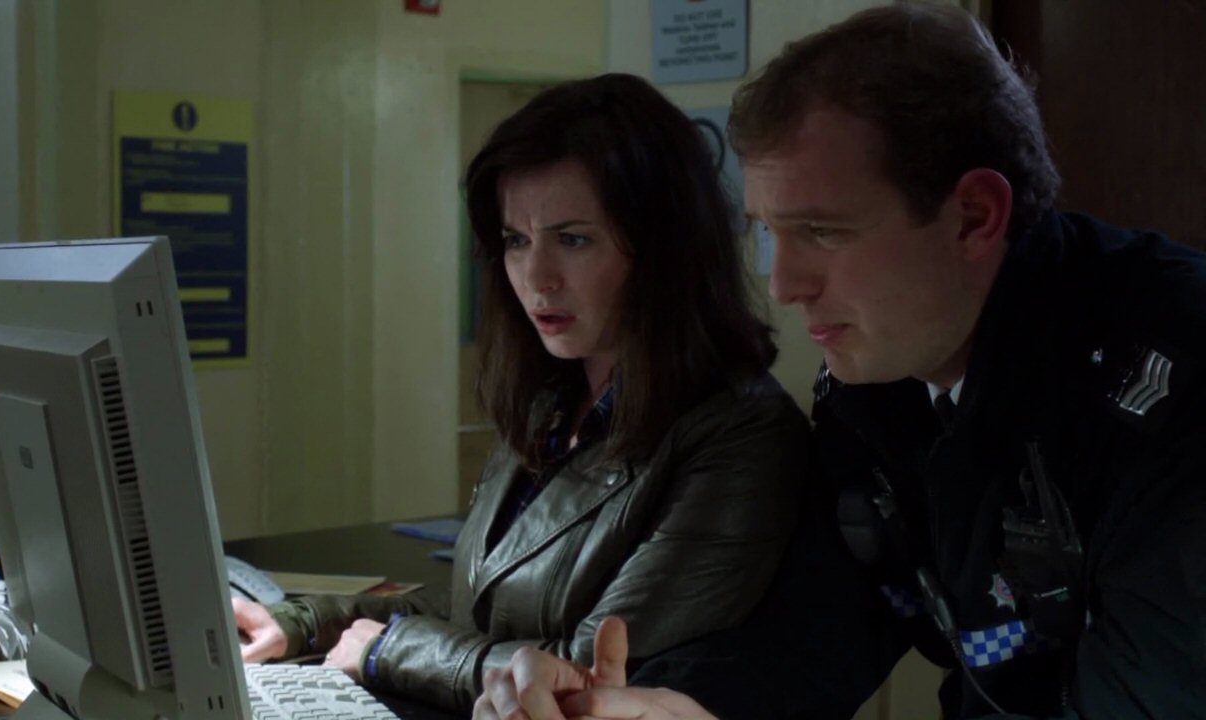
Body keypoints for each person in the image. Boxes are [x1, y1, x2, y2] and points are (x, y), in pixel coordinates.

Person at [473, 4, 1206, 719]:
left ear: (975, 216)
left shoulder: (1173, 390)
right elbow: (821, 625)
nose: (784, 286)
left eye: (822, 232)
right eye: (770, 233)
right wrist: (673, 705)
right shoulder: (881, 387)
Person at [233, 72, 810, 715]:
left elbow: (586, 678)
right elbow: (478, 614)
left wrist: (388, 650)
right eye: (516, 241)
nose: (536, 277)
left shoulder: (741, 435)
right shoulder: (552, 400)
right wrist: (308, 624)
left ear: (663, 249)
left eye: (573, 239)